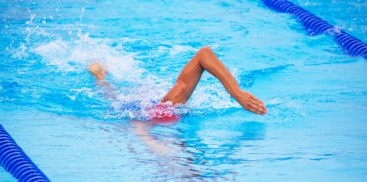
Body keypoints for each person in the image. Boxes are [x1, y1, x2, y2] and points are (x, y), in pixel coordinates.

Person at [88, 46, 267, 119]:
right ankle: (99, 76)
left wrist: (237, 93)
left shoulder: (167, 106)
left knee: (115, 96)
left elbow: (204, 53)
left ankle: (100, 76)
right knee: (112, 96)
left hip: (148, 107)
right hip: (140, 110)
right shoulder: (160, 113)